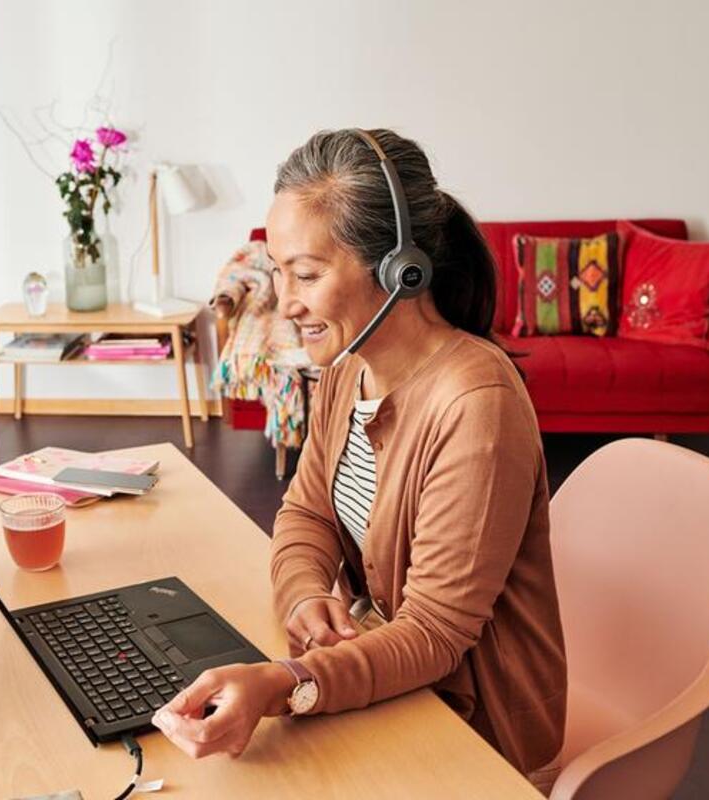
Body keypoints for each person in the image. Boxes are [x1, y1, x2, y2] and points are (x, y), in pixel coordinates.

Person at [152, 129, 566, 793]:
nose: (287, 303)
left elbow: (433, 634)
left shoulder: (476, 405)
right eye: (280, 272)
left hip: (475, 726)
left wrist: (285, 685)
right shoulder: (351, 369)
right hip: (396, 676)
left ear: (403, 269)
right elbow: (305, 512)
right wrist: (305, 596)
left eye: (307, 275)